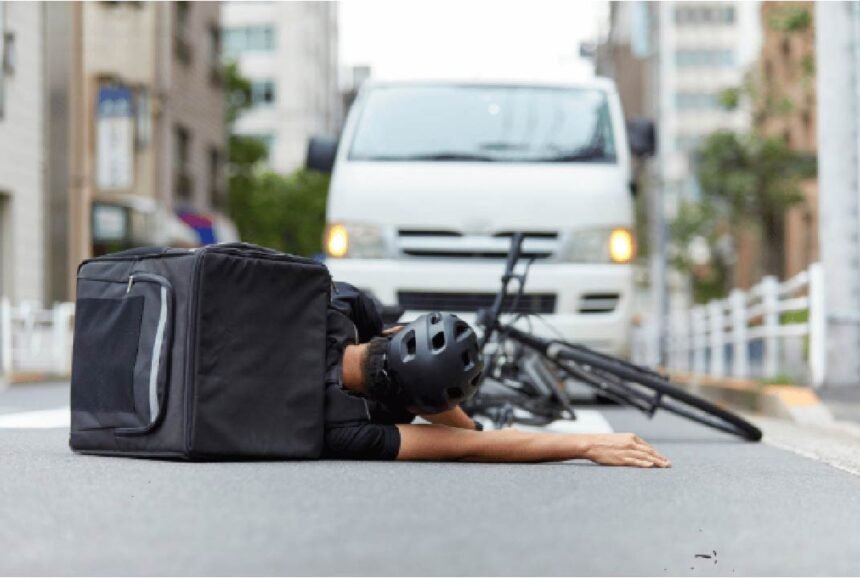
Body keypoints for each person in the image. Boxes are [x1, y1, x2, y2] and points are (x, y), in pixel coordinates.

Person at [324, 282, 671, 468]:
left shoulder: (338, 307)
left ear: (394, 330)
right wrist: (589, 444)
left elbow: (470, 441)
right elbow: (469, 446)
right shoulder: (346, 431)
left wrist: (589, 445)